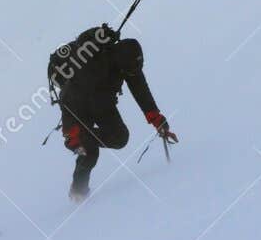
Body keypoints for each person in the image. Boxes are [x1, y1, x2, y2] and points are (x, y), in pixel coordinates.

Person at [48, 25, 178, 201]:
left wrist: (157, 120)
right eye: (130, 70)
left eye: (135, 70)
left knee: (119, 138)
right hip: (78, 102)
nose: (133, 74)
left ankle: (85, 141)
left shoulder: (128, 64)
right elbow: (69, 94)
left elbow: (141, 92)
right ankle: (78, 195)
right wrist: (71, 132)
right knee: (88, 151)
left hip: (101, 100)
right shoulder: (94, 59)